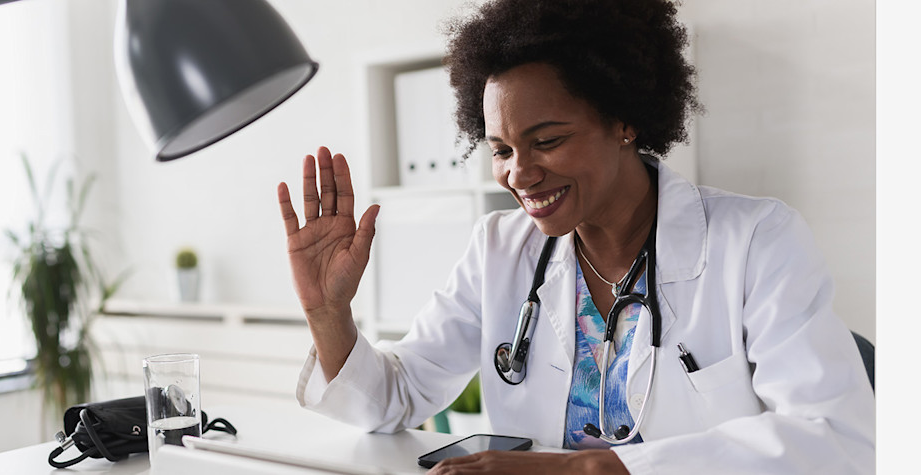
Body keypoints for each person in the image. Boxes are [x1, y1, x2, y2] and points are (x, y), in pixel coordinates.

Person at [274, 0, 875, 473]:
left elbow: (836, 439)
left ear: (624, 120)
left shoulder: (757, 241)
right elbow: (392, 400)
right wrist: (329, 313)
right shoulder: (499, 250)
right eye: (501, 150)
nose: (520, 174)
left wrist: (590, 469)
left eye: (548, 140)